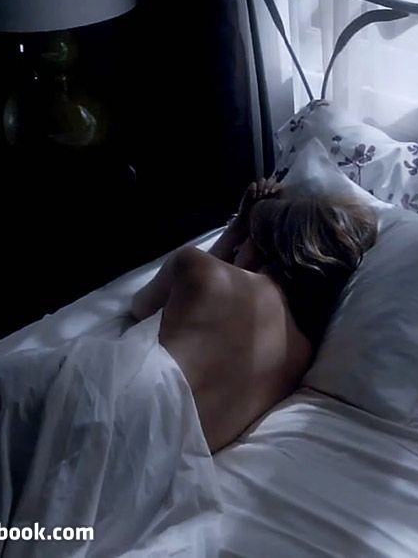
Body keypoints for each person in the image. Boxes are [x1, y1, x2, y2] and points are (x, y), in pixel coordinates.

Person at [130, 178, 378, 452]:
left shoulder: (199, 269)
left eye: (247, 238)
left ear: (269, 244)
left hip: (115, 411)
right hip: (164, 461)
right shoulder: (302, 356)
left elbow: (140, 307)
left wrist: (236, 227)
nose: (237, 248)